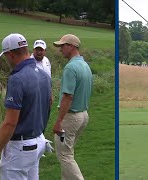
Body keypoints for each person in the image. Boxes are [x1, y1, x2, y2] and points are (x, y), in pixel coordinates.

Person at [0, 33, 52, 180]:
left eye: (6, 56)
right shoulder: (44, 75)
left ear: (10, 54)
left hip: (20, 147)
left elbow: (10, 123)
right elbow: (49, 104)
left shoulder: (17, 79)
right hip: (38, 140)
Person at [52, 34, 93, 180]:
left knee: (64, 155)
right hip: (83, 116)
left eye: (62, 46)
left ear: (71, 46)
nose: (60, 50)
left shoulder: (70, 68)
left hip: (70, 118)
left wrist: (58, 121)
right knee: (68, 153)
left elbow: (68, 96)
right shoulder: (85, 65)